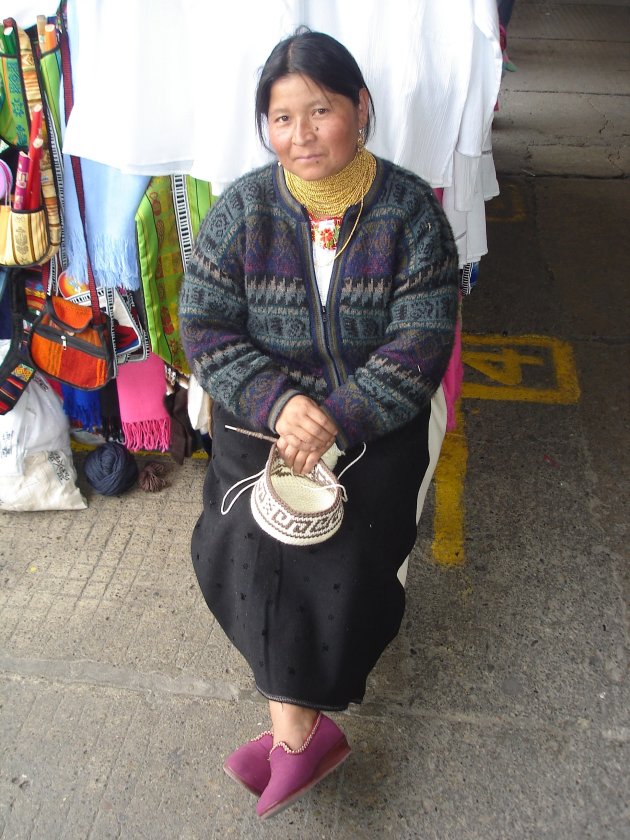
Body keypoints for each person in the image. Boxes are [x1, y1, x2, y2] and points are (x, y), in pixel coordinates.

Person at [179, 29, 459, 820]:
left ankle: (292, 735)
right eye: (279, 118)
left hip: (375, 415)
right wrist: (277, 402)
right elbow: (203, 326)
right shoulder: (241, 210)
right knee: (245, 534)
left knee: (340, 539)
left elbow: (421, 341)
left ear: (361, 110)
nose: (299, 136)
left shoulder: (410, 214)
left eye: (320, 111)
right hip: (265, 415)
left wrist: (336, 415)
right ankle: (298, 730)